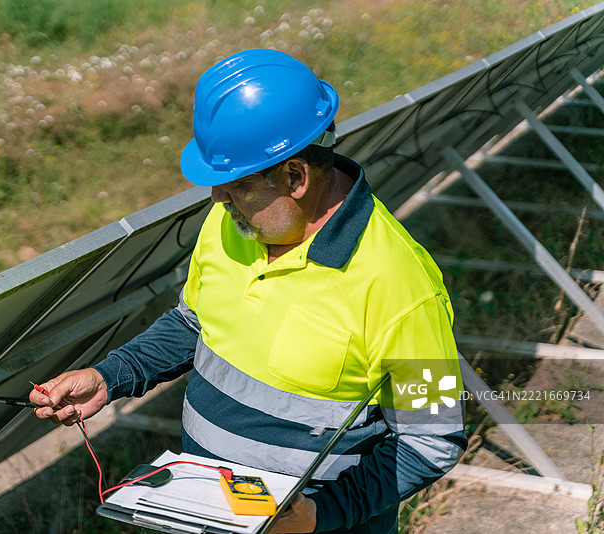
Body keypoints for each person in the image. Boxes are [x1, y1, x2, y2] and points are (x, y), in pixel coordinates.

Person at [31, 48, 466, 533]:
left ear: (295, 177)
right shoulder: (231, 222)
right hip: (209, 513)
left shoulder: (401, 287)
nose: (217, 198)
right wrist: (110, 376)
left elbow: (432, 440)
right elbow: (194, 323)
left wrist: (322, 516)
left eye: (235, 185)